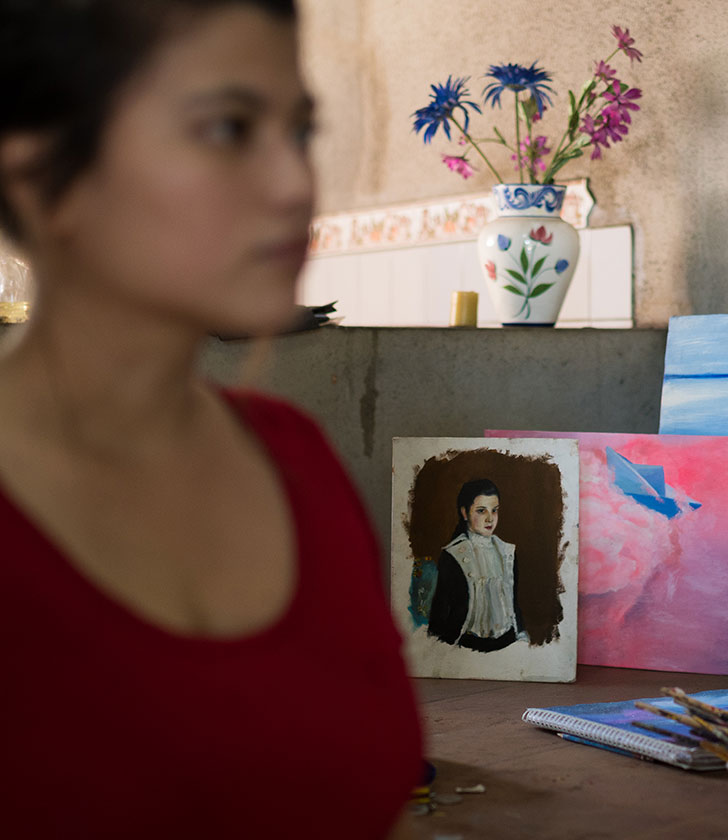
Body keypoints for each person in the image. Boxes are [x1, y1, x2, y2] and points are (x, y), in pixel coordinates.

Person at [0, 2, 424, 837]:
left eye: (300, 131)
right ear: (39, 180)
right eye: (229, 128)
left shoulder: (295, 460)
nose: (296, 184)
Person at [427, 478, 528, 652]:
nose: (490, 518)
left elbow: (513, 604)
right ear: (465, 513)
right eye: (481, 511)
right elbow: (441, 610)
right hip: (468, 645)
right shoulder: (454, 555)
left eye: (494, 510)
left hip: (508, 642)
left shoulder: (507, 553)